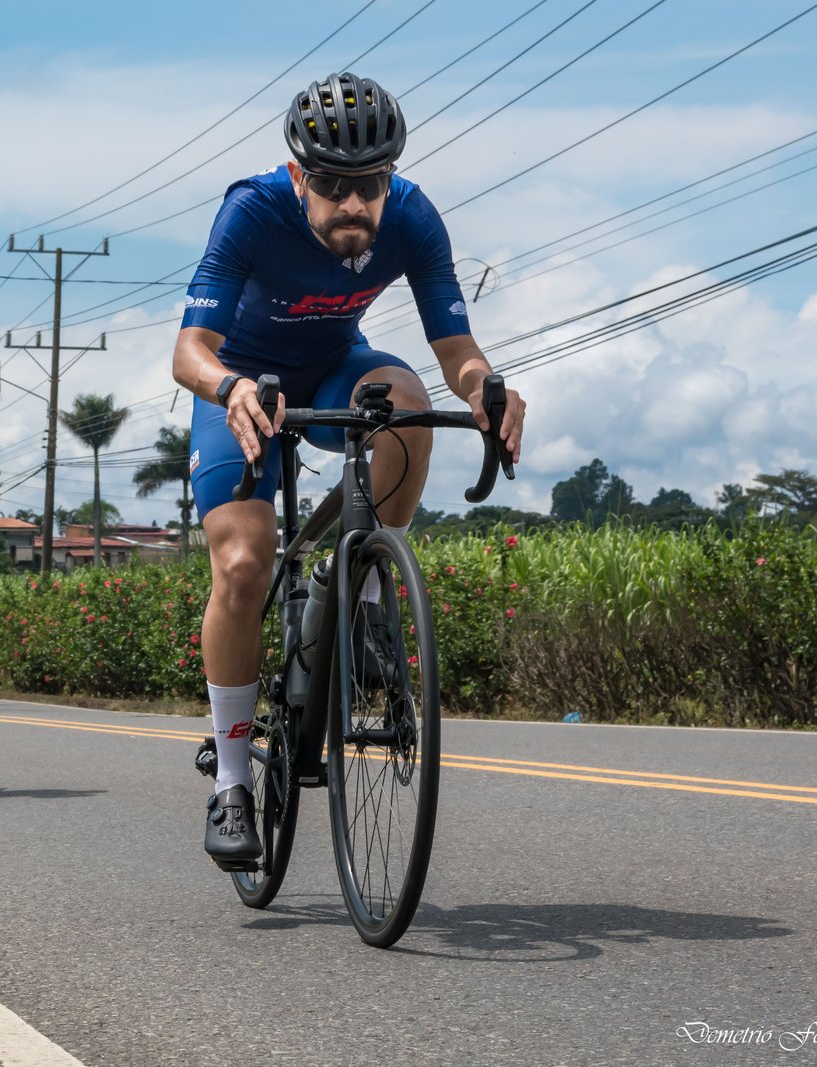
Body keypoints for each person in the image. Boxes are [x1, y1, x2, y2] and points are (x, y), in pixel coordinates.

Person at [171, 73, 526, 870]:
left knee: (406, 400)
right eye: (333, 186)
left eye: (370, 184)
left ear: (391, 177)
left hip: (335, 370)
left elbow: (456, 351)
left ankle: (362, 591)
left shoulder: (412, 217)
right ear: (299, 176)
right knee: (244, 562)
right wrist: (229, 390)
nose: (354, 203)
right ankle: (231, 781)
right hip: (242, 384)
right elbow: (189, 352)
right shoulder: (252, 210)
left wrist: (484, 388)